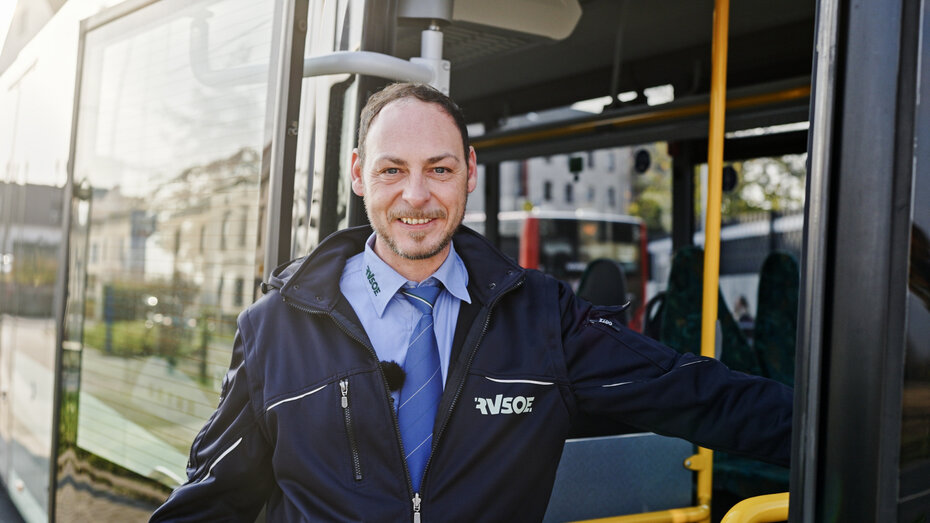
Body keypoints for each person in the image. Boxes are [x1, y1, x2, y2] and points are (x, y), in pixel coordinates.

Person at [151, 83, 792, 522]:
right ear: (357, 174)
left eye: (439, 168)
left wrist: (859, 430)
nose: (416, 196)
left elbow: (696, 393)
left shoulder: (542, 318)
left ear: (470, 171)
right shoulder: (277, 329)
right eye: (391, 170)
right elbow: (212, 501)